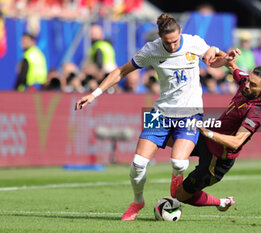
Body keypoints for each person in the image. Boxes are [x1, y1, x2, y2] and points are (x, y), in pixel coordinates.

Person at [75, 13, 225, 221]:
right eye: (167, 42)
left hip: (190, 113)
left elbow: (215, 59)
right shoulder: (151, 49)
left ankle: (176, 178)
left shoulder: (193, 43)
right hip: (159, 113)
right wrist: (94, 94)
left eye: (175, 41)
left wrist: (229, 61)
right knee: (137, 164)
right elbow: (122, 71)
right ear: (160, 37)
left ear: (180, 32)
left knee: (179, 164)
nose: (172, 46)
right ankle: (138, 201)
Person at [172, 48, 261, 211]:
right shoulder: (246, 83)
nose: (246, 85)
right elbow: (231, 65)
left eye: (252, 84)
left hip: (219, 158)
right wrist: (221, 52)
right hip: (207, 137)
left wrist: (209, 133)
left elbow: (236, 142)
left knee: (180, 195)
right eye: (248, 79)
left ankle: (221, 202)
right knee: (170, 137)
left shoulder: (257, 111)